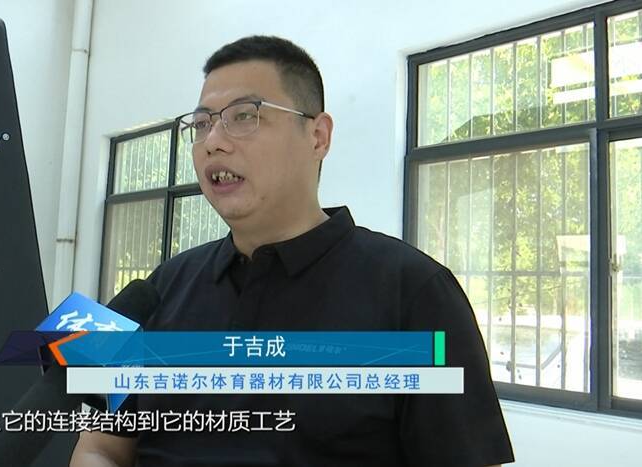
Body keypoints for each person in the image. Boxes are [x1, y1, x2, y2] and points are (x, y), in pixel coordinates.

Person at [71, 35, 514, 467]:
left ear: (317, 136)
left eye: (244, 116)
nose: (213, 142)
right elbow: (101, 448)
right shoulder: (163, 287)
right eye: (202, 124)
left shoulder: (414, 293)